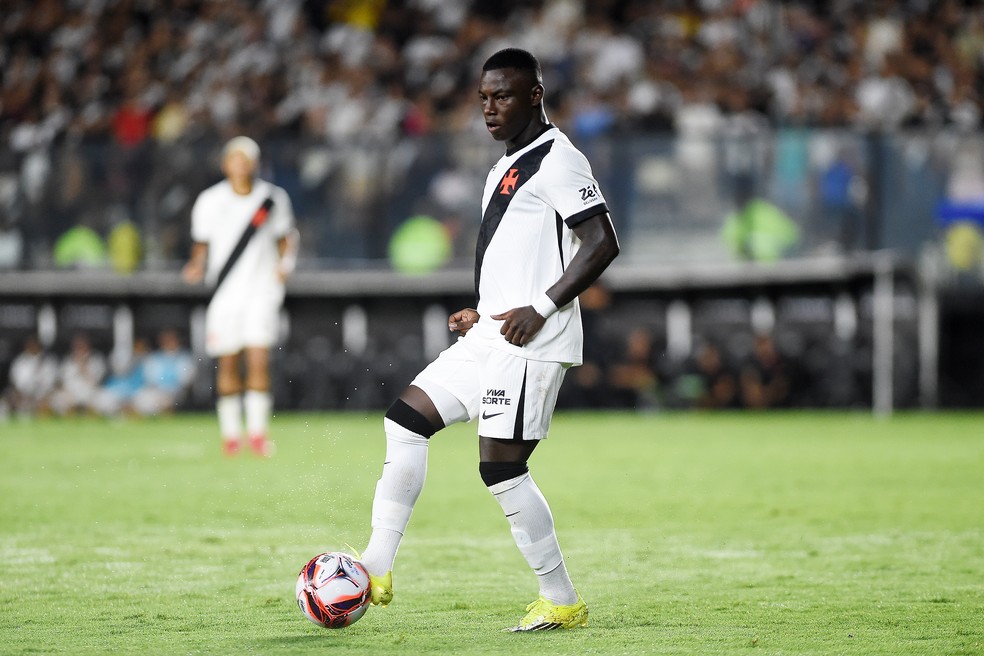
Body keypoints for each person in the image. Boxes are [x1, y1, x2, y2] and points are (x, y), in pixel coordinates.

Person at [357, 48, 619, 632]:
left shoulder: (558, 159)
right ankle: (376, 563)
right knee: (404, 422)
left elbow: (603, 242)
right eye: (483, 97)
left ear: (535, 95)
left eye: (503, 96)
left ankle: (561, 599)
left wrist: (541, 307)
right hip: (491, 334)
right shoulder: (506, 165)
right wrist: (482, 308)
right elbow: (517, 251)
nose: (489, 108)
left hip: (532, 341)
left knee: (501, 469)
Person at [182, 136, 297, 456]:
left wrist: (285, 265)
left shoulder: (272, 198)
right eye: (235, 158)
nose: (241, 164)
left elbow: (286, 238)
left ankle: (258, 434)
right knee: (228, 361)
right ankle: (231, 435)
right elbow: (201, 244)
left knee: (259, 359)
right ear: (225, 164)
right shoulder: (209, 200)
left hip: (261, 292)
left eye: (247, 159)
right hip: (225, 294)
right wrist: (196, 265)